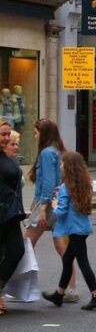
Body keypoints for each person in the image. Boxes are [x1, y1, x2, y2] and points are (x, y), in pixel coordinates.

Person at [26, 118, 79, 301]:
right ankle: (71, 289)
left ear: (44, 134)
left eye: (36, 132)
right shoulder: (57, 152)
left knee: (26, 245)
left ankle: (21, 288)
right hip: (58, 204)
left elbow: (48, 182)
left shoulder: (47, 153)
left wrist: (41, 208)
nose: (34, 136)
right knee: (61, 246)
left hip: (47, 206)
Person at [42, 152, 96, 311]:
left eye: (62, 164)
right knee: (68, 260)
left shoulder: (65, 187)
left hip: (74, 230)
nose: (60, 166)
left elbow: (61, 210)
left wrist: (54, 206)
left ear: (68, 167)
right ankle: (59, 294)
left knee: (83, 263)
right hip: (82, 228)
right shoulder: (84, 184)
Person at [0, 119, 25, 315]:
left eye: (8, 134)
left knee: (17, 250)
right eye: (3, 134)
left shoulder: (6, 156)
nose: (7, 137)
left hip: (10, 213)